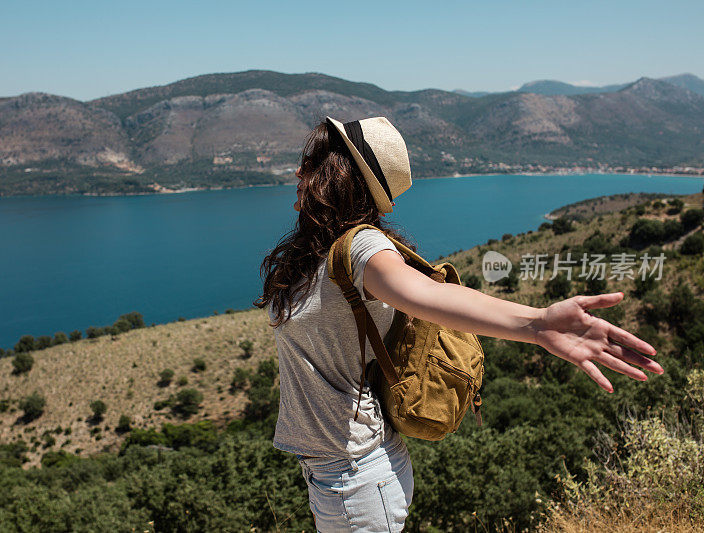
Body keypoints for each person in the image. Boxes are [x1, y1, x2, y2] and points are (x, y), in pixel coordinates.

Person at [253, 116, 663, 532]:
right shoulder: (317, 255)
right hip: (334, 472)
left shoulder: (362, 247)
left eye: (310, 160)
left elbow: (431, 296)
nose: (298, 171)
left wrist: (537, 325)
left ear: (336, 174)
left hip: (356, 478)